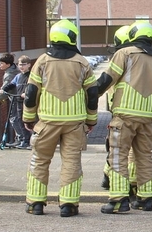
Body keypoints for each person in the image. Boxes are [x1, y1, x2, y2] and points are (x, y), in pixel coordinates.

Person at [22, 19, 99, 217]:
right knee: (72, 162)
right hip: (75, 122)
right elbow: (92, 94)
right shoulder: (82, 62)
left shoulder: (42, 61)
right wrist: (91, 120)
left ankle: (35, 203)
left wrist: (29, 118)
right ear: (72, 37)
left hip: (47, 120)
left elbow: (31, 92)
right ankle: (69, 205)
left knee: (40, 159)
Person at [95, 20, 152, 213]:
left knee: (119, 156)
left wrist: (91, 93)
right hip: (147, 116)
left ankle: (119, 200)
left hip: (125, 115)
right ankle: (145, 199)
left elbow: (108, 78)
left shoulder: (124, 53)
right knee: (144, 156)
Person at [101, 25, 135, 190]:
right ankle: (130, 182)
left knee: (116, 148)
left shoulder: (118, 57)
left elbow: (106, 81)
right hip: (138, 110)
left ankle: (111, 178)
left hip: (119, 110)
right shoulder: (141, 58)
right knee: (132, 151)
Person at [3, 55, 32, 148]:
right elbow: (11, 84)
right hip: (18, 101)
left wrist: (26, 94)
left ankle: (28, 140)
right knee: (19, 120)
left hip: (28, 102)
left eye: (24, 64)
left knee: (28, 121)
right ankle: (23, 139)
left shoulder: (31, 76)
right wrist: (4, 90)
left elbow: (32, 87)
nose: (21, 67)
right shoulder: (18, 76)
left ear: (29, 65)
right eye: (20, 65)